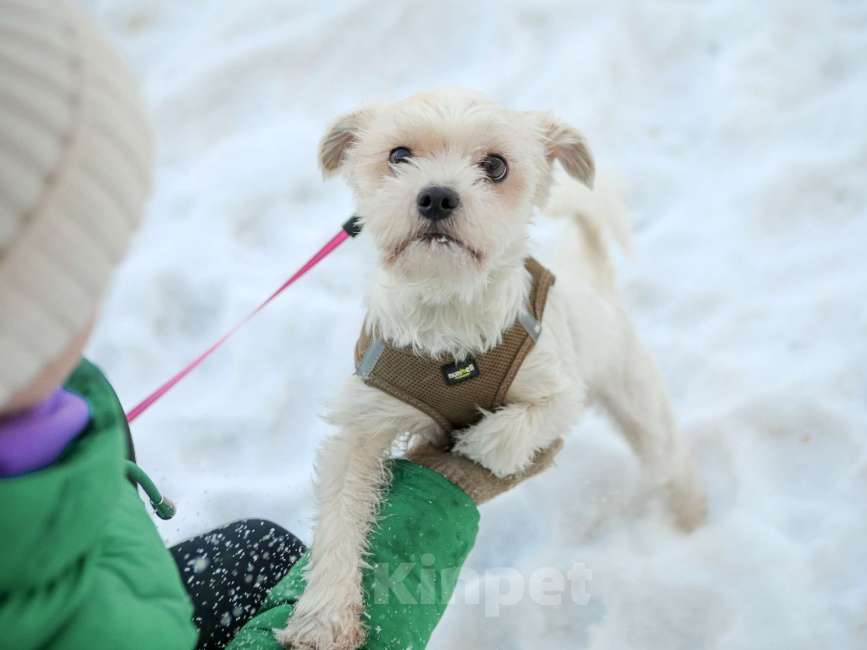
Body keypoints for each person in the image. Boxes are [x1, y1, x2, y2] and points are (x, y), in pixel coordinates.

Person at [0, 3, 560, 649]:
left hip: (97, 558)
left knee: (262, 548)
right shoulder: (81, 629)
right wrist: (435, 497)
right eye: (80, 276)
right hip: (117, 603)